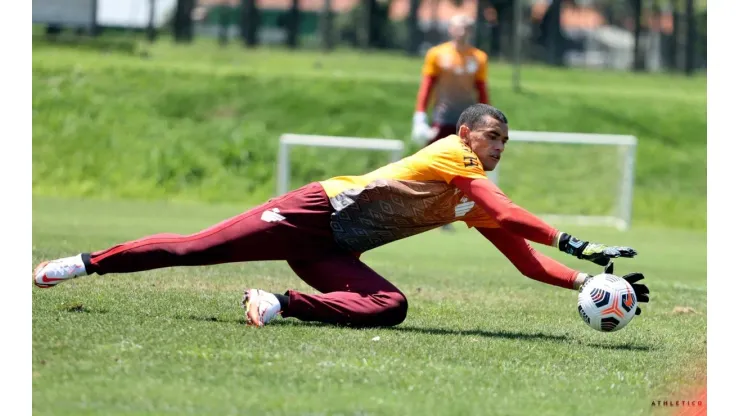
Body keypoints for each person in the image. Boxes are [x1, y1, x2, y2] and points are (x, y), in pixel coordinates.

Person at [33, 104, 650, 328]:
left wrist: (581, 279)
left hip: (331, 252)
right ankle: (82, 265)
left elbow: (521, 256)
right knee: (194, 249)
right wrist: (580, 242)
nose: (496, 148)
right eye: (491, 137)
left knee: (392, 308)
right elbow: (505, 210)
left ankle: (277, 304)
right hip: (311, 212)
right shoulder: (453, 155)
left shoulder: (471, 192)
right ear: (466, 133)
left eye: (502, 144)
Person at [411, 14, 490, 146]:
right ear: (450, 29)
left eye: (466, 28)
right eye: (458, 28)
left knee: (465, 161)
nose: (462, 32)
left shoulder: (479, 57)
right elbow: (427, 85)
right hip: (442, 116)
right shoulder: (437, 54)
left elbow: (481, 90)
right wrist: (420, 114)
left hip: (468, 118)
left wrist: (486, 116)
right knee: (436, 158)